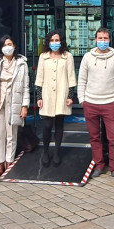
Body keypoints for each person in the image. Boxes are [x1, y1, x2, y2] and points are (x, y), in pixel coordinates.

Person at [77, 28, 114, 180]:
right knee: (94, 137)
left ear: (109, 40)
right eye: (100, 38)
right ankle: (99, 165)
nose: (102, 41)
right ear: (95, 39)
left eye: (105, 38)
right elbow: (82, 79)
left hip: (109, 103)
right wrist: (82, 99)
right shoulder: (87, 57)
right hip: (90, 103)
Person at [0, 35, 29, 176]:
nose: (7, 47)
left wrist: (24, 106)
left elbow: (26, 86)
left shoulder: (22, 64)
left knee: (11, 135)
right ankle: (0, 163)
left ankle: (9, 162)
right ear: (1, 48)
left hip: (14, 102)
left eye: (10, 44)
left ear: (14, 46)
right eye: (4, 45)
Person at [35, 30, 75, 166]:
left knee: (59, 124)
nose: (54, 43)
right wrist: (39, 97)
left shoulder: (67, 56)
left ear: (61, 41)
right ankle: (45, 152)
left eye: (57, 40)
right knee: (47, 125)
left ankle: (57, 152)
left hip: (62, 95)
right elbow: (39, 78)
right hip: (47, 95)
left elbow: (71, 77)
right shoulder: (43, 57)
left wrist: (70, 96)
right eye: (52, 40)